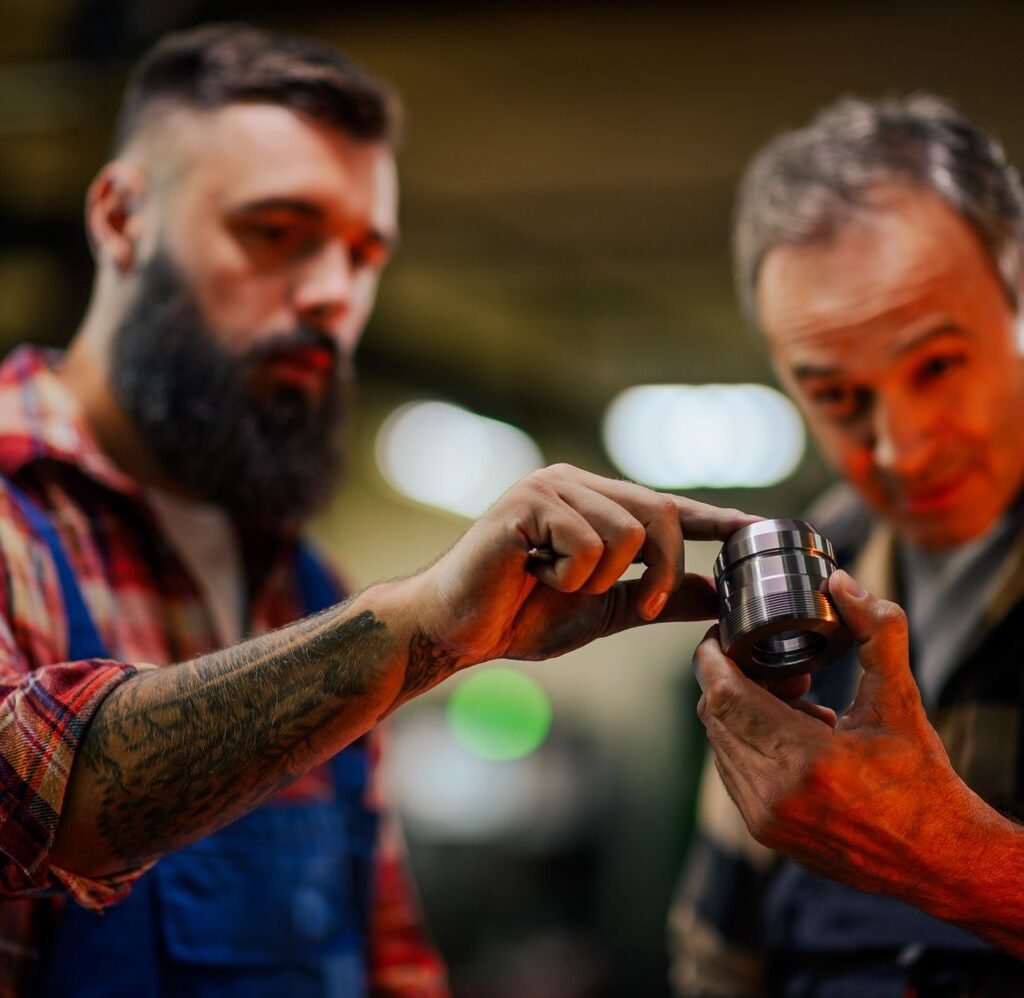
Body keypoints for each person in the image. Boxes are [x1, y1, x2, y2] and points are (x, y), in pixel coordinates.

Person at [0, 21, 756, 998]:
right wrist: (418, 625)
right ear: (119, 217)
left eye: (363, 254)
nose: (331, 293)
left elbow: (382, 943)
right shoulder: (17, 510)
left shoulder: (304, 582)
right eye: (274, 231)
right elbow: (29, 788)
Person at [669, 93, 1024, 996]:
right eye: (836, 396)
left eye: (937, 366)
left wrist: (957, 862)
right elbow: (717, 962)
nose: (900, 447)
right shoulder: (796, 589)